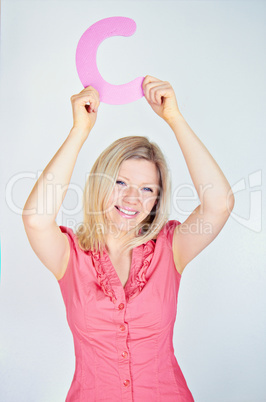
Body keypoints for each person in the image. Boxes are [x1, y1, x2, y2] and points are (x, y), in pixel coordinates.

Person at [22, 75, 235, 401]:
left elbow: (219, 203)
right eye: (121, 183)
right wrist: (80, 131)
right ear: (101, 183)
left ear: (156, 199)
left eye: (147, 188)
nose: (133, 198)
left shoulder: (171, 248)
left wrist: (174, 118)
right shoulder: (70, 255)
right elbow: (36, 219)